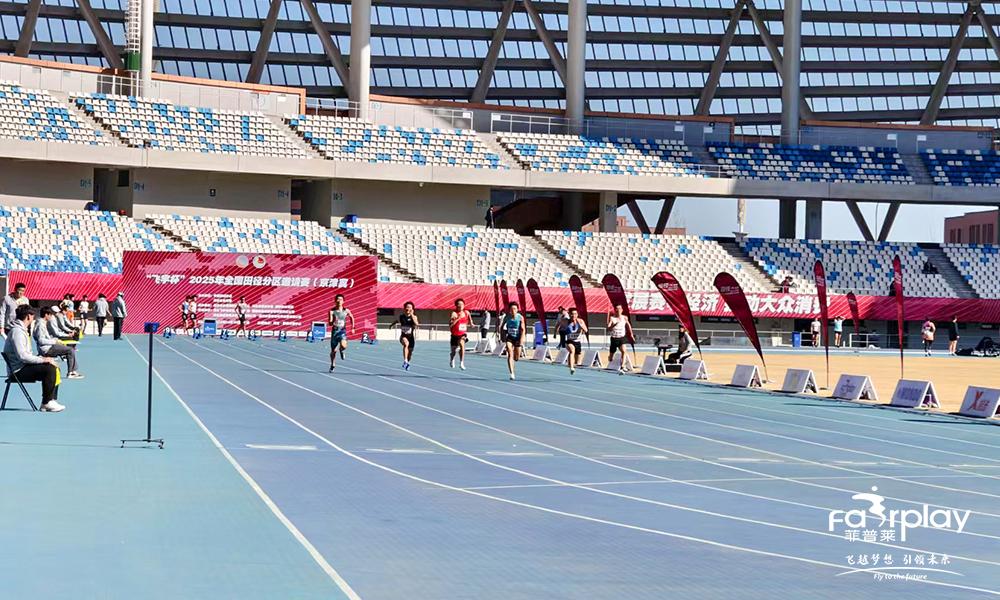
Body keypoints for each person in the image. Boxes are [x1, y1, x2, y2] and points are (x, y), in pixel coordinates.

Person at [3, 305, 64, 412]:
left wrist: (44, 359)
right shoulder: (17, 332)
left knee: (53, 366)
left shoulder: (21, 330)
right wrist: (43, 360)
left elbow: (26, 355)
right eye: (32, 316)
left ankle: (51, 399)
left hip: (23, 366)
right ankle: (46, 402)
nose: (33, 318)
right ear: (28, 317)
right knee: (49, 369)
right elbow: (23, 356)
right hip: (17, 371)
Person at [34, 307, 83, 379]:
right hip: (47, 349)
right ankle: (71, 372)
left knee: (68, 348)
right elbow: (41, 340)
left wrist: (55, 341)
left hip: (48, 346)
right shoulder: (40, 324)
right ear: (46, 315)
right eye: (50, 315)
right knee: (70, 350)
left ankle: (73, 370)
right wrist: (54, 341)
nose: (51, 317)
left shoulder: (41, 323)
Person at [327, 294, 354, 371]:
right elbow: (330, 323)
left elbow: (352, 317)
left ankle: (341, 350)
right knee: (333, 351)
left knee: (344, 346)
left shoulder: (346, 310)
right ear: (335, 301)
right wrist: (333, 321)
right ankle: (332, 364)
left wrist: (352, 328)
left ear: (343, 301)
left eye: (341, 299)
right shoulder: (332, 311)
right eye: (337, 299)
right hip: (335, 332)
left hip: (342, 331)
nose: (339, 301)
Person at [390, 301, 419, 370]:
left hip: (411, 337)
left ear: (412, 309)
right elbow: (396, 321)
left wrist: (412, 315)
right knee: (406, 344)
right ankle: (405, 360)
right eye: (407, 307)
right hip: (403, 336)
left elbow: (416, 324)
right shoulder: (401, 317)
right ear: (404, 308)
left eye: (410, 307)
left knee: (410, 352)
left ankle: (407, 362)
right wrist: (391, 325)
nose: (408, 308)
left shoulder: (414, 317)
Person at [501, 301, 526, 380]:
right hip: (510, 337)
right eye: (511, 309)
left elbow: (523, 329)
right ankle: (512, 373)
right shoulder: (507, 317)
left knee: (516, 358)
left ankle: (516, 356)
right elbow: (502, 327)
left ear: (517, 310)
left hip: (518, 338)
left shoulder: (520, 317)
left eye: (514, 309)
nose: (513, 311)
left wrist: (521, 340)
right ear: (509, 310)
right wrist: (502, 336)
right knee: (510, 353)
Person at [607, 304, 633, 373]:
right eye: (616, 309)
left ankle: (622, 366)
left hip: (621, 337)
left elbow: (628, 325)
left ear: (622, 310)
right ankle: (610, 356)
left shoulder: (625, 318)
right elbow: (608, 328)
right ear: (615, 310)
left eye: (619, 309)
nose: (618, 310)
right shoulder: (612, 318)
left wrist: (631, 334)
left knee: (624, 351)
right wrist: (613, 325)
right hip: (614, 338)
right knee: (611, 357)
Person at [449, 298, 473, 370]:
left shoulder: (466, 312)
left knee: (462, 345)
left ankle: (461, 362)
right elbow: (451, 325)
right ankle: (452, 359)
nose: (461, 306)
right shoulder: (454, 313)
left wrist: (471, 323)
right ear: (456, 306)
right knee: (453, 351)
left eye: (462, 304)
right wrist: (458, 318)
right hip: (454, 334)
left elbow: (470, 318)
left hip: (462, 333)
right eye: (459, 304)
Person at [564, 307, 588, 375]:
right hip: (569, 341)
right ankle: (572, 368)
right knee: (572, 350)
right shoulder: (566, 321)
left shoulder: (580, 321)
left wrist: (581, 326)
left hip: (578, 342)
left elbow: (586, 330)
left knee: (577, 361)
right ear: (569, 314)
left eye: (575, 314)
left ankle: (570, 363)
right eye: (572, 314)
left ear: (577, 314)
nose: (573, 315)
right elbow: (559, 324)